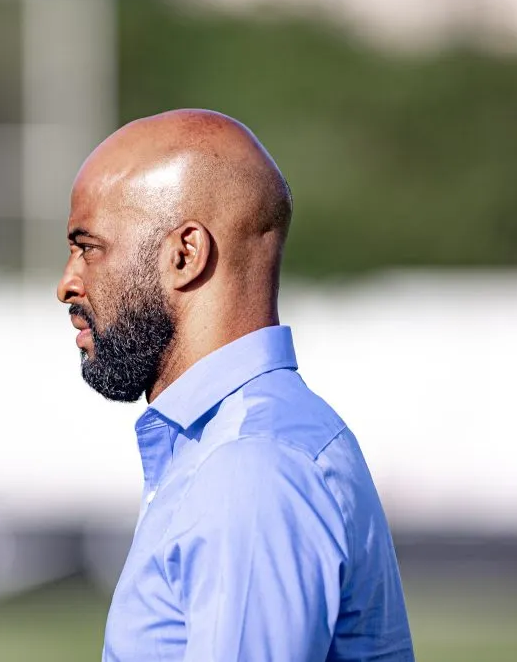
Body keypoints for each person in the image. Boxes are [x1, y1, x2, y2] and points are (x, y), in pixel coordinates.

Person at [57, 109, 414, 661]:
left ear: (185, 254)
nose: (67, 283)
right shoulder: (236, 447)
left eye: (89, 246)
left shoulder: (250, 466)